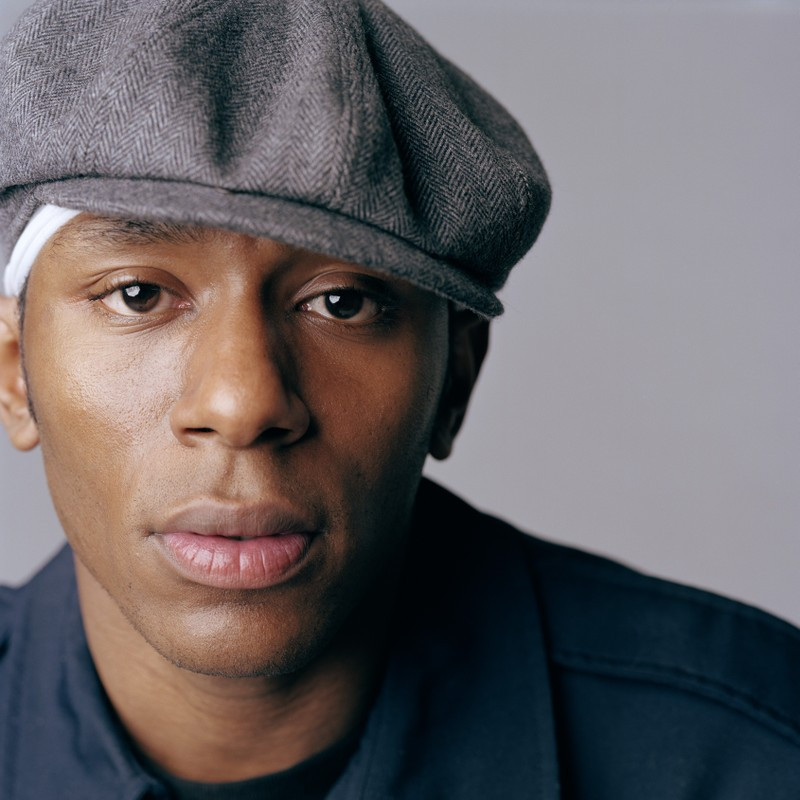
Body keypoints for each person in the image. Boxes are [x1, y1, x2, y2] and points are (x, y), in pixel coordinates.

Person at [0, 0, 797, 798]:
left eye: (342, 302)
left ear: (456, 378)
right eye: (137, 294)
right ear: (14, 371)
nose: (244, 404)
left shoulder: (753, 754)